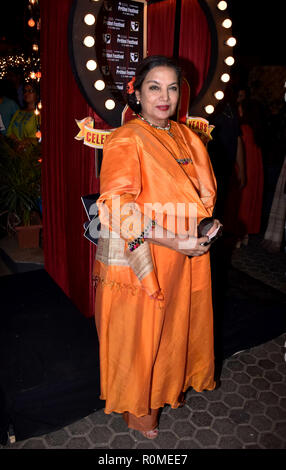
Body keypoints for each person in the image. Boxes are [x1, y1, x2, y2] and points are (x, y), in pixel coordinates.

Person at [93, 55, 221, 439]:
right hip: (144, 254)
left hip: (185, 254)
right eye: (154, 87)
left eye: (172, 88)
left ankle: (166, 389)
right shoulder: (126, 138)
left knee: (173, 332)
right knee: (142, 335)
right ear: (138, 92)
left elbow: (201, 192)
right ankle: (141, 414)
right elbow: (115, 204)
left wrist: (204, 223)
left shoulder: (186, 136)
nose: (164, 97)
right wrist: (174, 238)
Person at [233, 87, 264, 247]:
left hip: (245, 168)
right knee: (248, 196)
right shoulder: (251, 129)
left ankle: (240, 233)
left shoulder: (245, 130)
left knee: (243, 197)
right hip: (250, 168)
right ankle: (243, 233)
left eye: (240, 99)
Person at [6, 81, 40, 153]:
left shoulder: (40, 114)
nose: (26, 94)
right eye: (25, 91)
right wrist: (17, 142)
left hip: (32, 153)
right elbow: (9, 132)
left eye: (30, 91)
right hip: (15, 151)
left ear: (37, 94)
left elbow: (40, 137)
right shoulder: (18, 112)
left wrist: (26, 141)